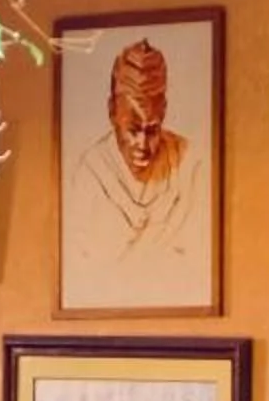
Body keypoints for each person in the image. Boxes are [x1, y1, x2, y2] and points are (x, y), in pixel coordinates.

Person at [67, 39, 208, 305]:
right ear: (112, 112)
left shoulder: (190, 163)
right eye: (132, 130)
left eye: (152, 130)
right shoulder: (90, 175)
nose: (142, 144)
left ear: (164, 112)